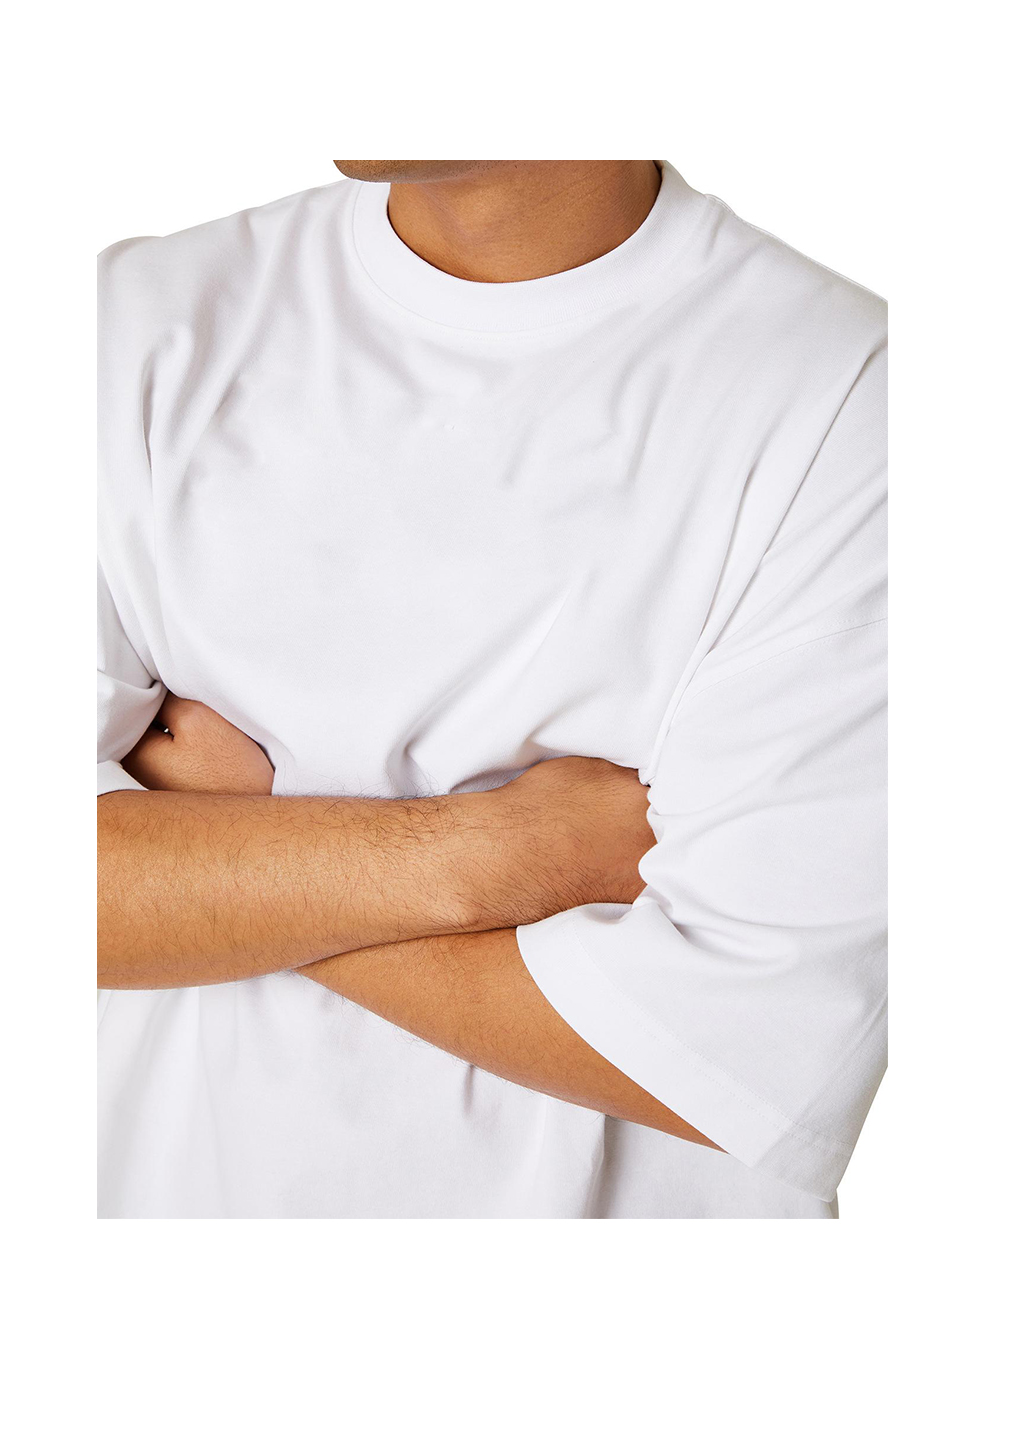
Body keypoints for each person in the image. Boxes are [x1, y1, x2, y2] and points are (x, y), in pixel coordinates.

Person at [98, 159, 886, 1218]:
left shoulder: (848, 398)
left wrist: (214, 834)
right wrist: (504, 857)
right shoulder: (132, 322)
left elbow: (740, 1058)